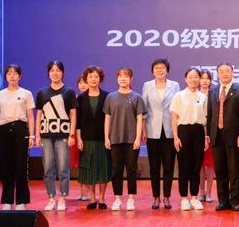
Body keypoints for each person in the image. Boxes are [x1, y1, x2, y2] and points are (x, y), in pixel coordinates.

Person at [0, 64, 35, 210]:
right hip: (4, 130)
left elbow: (30, 116)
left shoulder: (26, 93)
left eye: (15, 73)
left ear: (20, 77)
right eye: (9, 73)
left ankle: (22, 201)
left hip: (21, 129)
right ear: (5, 76)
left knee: (21, 166)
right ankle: (7, 200)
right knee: (6, 166)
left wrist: (31, 136)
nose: (12, 76)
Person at [35, 60, 77, 211]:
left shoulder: (69, 92)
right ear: (48, 73)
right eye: (52, 70)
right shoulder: (42, 92)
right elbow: (39, 115)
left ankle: (62, 198)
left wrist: (72, 134)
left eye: (58, 70)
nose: (55, 73)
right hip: (46, 134)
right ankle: (51, 198)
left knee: (63, 168)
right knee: (48, 168)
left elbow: (73, 114)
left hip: (63, 134)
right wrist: (37, 135)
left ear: (63, 73)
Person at [207, 62, 239, 212]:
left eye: (227, 71)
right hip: (216, 135)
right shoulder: (212, 92)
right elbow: (210, 114)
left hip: (233, 135)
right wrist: (208, 134)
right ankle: (223, 201)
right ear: (217, 74)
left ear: (232, 73)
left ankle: (234, 201)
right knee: (220, 170)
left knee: (234, 170)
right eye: (221, 71)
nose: (224, 74)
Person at [104, 67, 146, 211]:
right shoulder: (111, 97)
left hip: (131, 139)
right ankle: (117, 199)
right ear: (117, 78)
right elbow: (107, 119)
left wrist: (137, 138)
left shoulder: (136, 97)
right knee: (116, 170)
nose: (123, 78)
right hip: (115, 138)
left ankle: (131, 199)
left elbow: (139, 119)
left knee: (131, 170)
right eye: (120, 76)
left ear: (131, 79)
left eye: (126, 76)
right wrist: (106, 137)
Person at [142, 58, 180, 209]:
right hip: (152, 130)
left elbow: (177, 108)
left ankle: (167, 197)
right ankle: (156, 197)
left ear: (167, 70)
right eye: (157, 68)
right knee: (154, 166)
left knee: (169, 166)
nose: (159, 70)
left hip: (170, 130)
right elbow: (144, 109)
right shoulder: (147, 85)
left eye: (162, 68)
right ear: (152, 71)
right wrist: (143, 130)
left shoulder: (174, 85)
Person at [170, 68, 207, 211]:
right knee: (184, 166)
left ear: (199, 79)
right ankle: (184, 198)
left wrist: (205, 137)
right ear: (185, 79)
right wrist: (175, 137)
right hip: (183, 131)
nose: (193, 80)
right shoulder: (179, 96)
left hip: (198, 131)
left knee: (196, 166)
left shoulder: (203, 97)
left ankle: (194, 198)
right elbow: (174, 118)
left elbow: (205, 121)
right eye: (190, 77)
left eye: (196, 77)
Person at [76, 66, 112, 210]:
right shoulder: (81, 98)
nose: (93, 79)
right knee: (89, 169)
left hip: (103, 138)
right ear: (86, 78)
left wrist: (108, 137)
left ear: (100, 79)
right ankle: (92, 198)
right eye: (90, 76)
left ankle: (101, 198)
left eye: (96, 76)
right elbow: (78, 122)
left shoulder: (107, 96)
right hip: (86, 139)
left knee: (103, 168)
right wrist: (79, 139)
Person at [198, 69, 215, 202]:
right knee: (199, 164)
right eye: (202, 78)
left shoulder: (214, 95)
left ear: (210, 81)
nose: (204, 81)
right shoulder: (195, 94)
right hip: (198, 131)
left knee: (210, 164)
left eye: (207, 78)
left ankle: (209, 192)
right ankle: (201, 191)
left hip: (212, 133)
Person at [73, 75, 90, 202]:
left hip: (88, 132)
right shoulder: (75, 98)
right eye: (80, 83)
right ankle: (82, 190)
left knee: (88, 163)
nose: (82, 85)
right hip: (77, 132)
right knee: (80, 164)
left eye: (85, 82)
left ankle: (88, 191)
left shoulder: (91, 98)